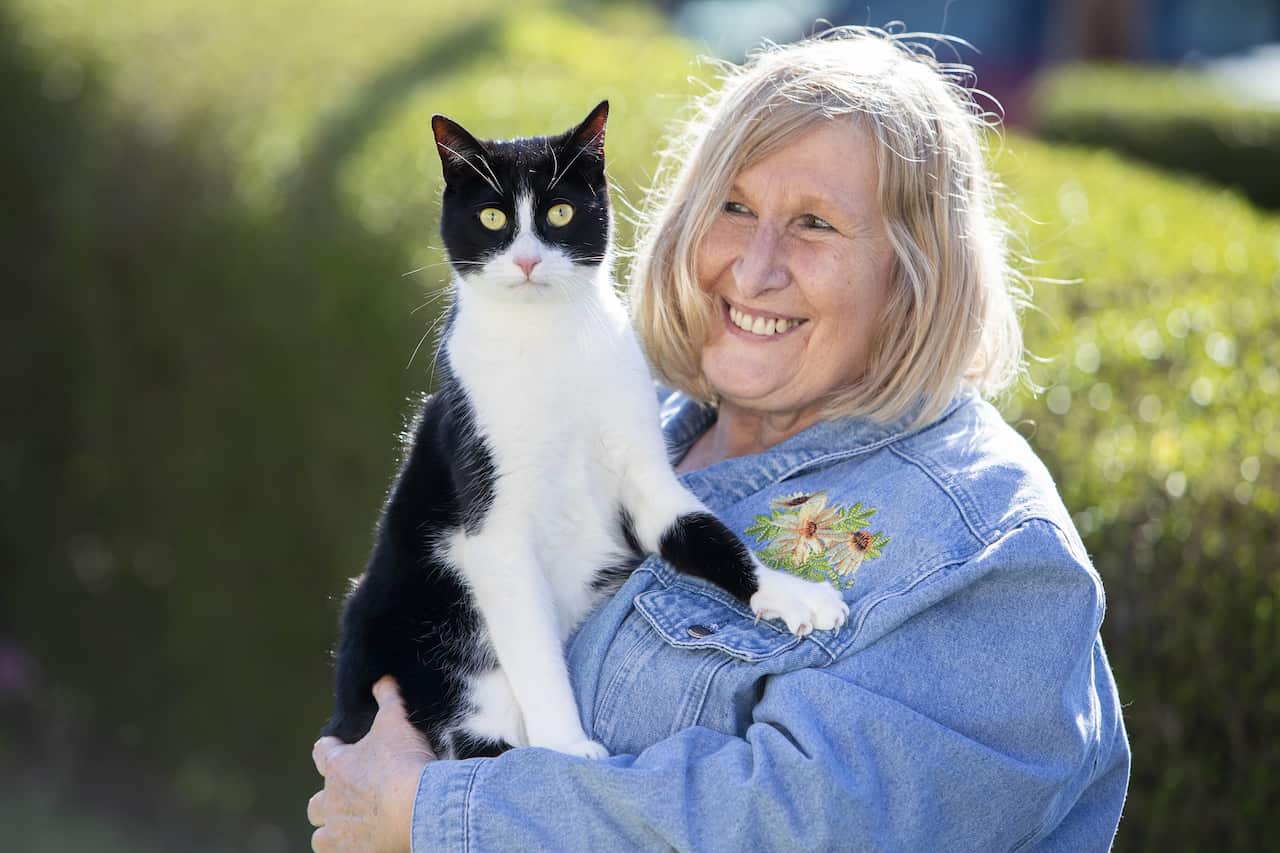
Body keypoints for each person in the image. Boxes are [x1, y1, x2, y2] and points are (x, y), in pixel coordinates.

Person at [307, 27, 1130, 852]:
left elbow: (796, 822)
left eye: (814, 224)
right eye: (733, 207)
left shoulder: (995, 554)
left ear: (919, 273)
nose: (754, 266)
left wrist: (435, 810)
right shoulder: (650, 423)